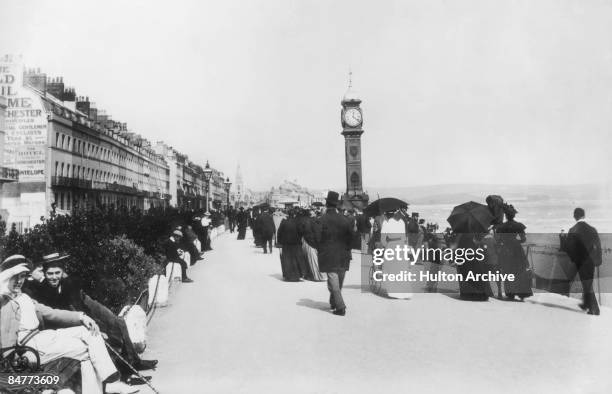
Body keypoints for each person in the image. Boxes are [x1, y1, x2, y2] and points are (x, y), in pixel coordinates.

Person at [0, 255, 137, 394]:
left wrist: (82, 317)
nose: (19, 281)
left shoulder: (23, 297)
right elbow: (6, 342)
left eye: (22, 276)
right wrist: (12, 362)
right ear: (6, 277)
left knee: (89, 331)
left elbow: (51, 313)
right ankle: (106, 386)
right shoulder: (4, 301)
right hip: (30, 348)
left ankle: (111, 382)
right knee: (85, 350)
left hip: (43, 338)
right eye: (15, 277)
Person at [24, 253, 158, 382]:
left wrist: (98, 323)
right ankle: (125, 375)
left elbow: (80, 306)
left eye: (57, 273)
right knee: (103, 338)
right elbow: (60, 316)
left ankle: (135, 363)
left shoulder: (68, 284)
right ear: (44, 273)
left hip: (80, 316)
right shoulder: (42, 291)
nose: (54, 277)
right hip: (63, 327)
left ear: (62, 273)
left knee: (118, 323)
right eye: (50, 274)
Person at [312, 191, 353, 316]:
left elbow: (316, 238)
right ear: (337, 205)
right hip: (343, 255)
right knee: (338, 282)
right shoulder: (345, 220)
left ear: (326, 203)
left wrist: (320, 248)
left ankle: (340, 307)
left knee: (333, 282)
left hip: (329, 255)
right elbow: (352, 238)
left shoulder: (321, 220)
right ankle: (333, 301)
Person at [560, 207, 602, 315]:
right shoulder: (593, 229)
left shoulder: (573, 230)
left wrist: (562, 238)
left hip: (579, 261)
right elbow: (598, 246)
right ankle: (586, 304)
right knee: (587, 283)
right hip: (591, 261)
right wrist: (598, 260)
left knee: (586, 285)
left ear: (574, 217)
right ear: (584, 216)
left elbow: (568, 249)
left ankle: (594, 309)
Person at [495, 205, 533, 301]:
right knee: (519, 270)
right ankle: (522, 294)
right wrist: (516, 242)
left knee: (507, 271)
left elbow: (498, 240)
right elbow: (523, 239)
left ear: (506, 216)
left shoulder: (502, 227)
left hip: (506, 250)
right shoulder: (519, 225)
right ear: (513, 215)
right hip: (517, 250)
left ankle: (510, 293)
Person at [276, 209, 308, 281]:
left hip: (286, 244)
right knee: (296, 259)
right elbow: (302, 232)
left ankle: (288, 275)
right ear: (294, 215)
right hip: (296, 243)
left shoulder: (284, 222)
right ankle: (297, 275)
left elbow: (279, 232)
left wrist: (279, 242)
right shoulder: (298, 222)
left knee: (287, 260)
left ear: (288, 214)